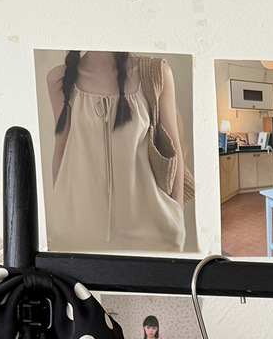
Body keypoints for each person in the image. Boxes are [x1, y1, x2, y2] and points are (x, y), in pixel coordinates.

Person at [46, 50, 189, 254]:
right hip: (79, 231)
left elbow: (174, 148)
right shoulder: (59, 78)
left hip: (151, 230)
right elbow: (61, 149)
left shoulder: (156, 72)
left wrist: (177, 212)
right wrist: (61, 217)